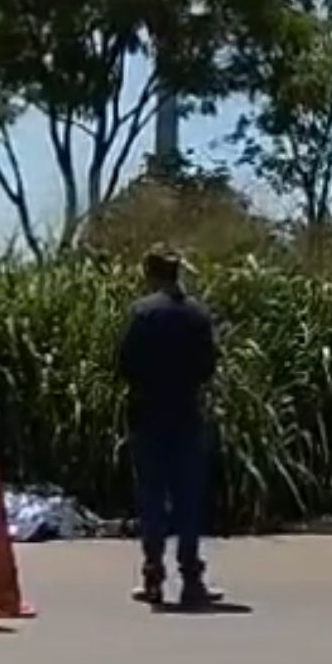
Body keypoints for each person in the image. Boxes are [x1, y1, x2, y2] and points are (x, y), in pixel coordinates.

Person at [118, 246, 221, 609]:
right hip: (187, 415)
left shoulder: (142, 313)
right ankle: (192, 579)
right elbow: (209, 365)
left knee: (152, 499)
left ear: (150, 274)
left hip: (148, 416)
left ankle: (153, 577)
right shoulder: (198, 315)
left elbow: (125, 364)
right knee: (188, 500)